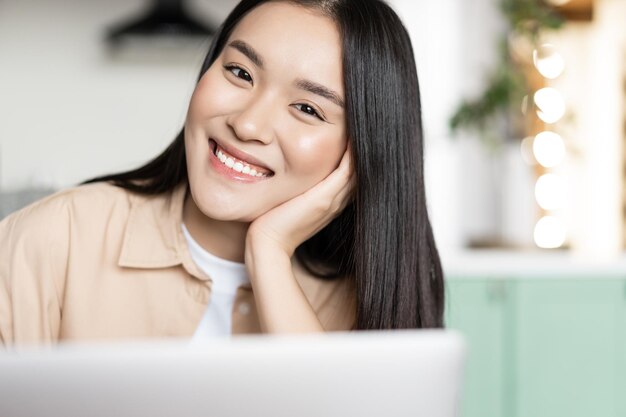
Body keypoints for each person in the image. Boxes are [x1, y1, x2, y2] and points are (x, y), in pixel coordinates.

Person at [0, 0, 444, 347]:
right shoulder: (55, 239)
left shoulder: (368, 302)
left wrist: (269, 252)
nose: (246, 124)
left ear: (362, 151)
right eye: (239, 71)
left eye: (307, 108)